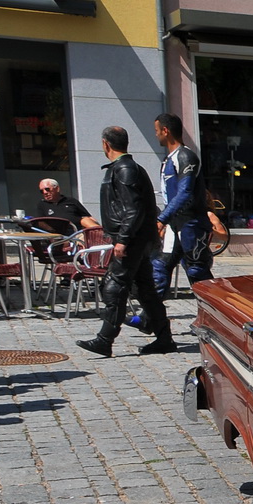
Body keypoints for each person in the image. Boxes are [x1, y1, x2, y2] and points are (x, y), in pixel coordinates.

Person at [77, 126, 175, 358]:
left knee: (114, 287)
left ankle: (104, 340)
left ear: (105, 144)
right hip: (136, 239)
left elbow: (133, 209)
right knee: (145, 290)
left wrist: (123, 240)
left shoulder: (124, 169)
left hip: (132, 241)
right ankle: (164, 338)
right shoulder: (126, 168)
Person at [150, 113, 213, 295]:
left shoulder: (186, 156)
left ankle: (215, 315)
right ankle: (150, 319)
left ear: (165, 130)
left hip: (191, 224)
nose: (156, 135)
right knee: (160, 267)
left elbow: (185, 192)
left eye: (157, 131)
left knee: (196, 271)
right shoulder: (168, 160)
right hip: (174, 224)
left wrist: (161, 219)